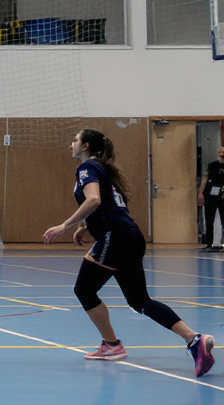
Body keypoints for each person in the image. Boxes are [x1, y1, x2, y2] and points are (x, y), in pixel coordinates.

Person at [44, 129, 214, 376]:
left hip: (116, 237)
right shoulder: (103, 171)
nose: (71, 144)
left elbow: (93, 201)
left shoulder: (86, 169)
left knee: (84, 289)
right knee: (139, 300)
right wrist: (84, 226)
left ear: (85, 146)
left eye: (75, 140)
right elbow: (109, 204)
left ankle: (112, 345)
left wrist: (65, 225)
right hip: (130, 235)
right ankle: (194, 339)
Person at [200, 146, 224, 251]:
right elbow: (205, 178)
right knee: (209, 220)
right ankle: (209, 243)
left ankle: (221, 243)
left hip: (222, 196)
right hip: (211, 195)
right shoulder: (212, 165)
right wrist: (200, 193)